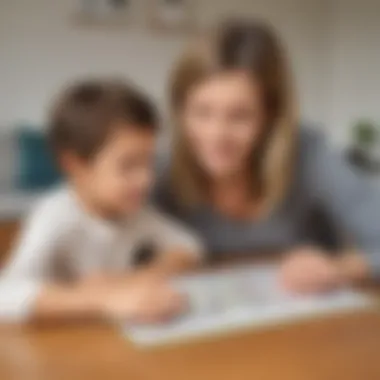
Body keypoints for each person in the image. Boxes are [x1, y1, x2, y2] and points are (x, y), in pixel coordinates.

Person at [153, 19, 380, 294]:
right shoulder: (159, 170)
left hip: (309, 317)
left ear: (271, 116)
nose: (216, 136)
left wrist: (338, 268)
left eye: (240, 116)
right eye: (201, 112)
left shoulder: (309, 154)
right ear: (180, 110)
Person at [0, 79, 203, 323]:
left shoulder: (133, 213)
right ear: (75, 165)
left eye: (149, 162)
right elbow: (6, 294)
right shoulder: (55, 216)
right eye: (128, 165)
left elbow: (189, 246)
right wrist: (103, 299)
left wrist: (134, 281)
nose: (146, 179)